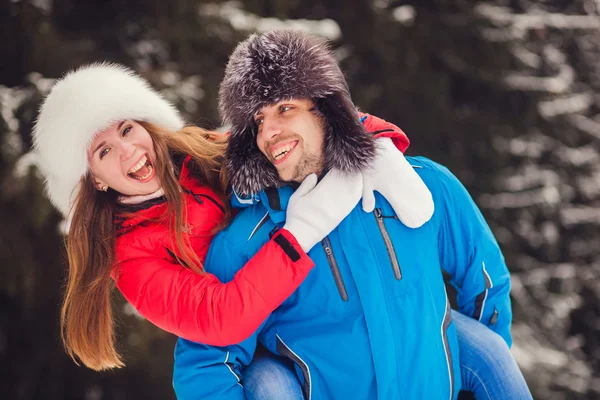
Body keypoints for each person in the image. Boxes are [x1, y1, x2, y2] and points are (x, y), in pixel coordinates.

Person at [173, 30, 533, 399]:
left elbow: (485, 280)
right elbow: (205, 362)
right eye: (258, 121)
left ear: (327, 108)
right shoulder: (246, 240)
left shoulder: (423, 183)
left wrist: (472, 372)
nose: (270, 132)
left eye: (284, 108)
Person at [31, 63, 431, 372]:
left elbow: (292, 134)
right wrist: (299, 234)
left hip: (325, 305)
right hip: (260, 353)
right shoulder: (132, 260)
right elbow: (221, 317)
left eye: (126, 129)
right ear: (95, 182)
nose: (127, 150)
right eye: (103, 151)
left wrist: (375, 143)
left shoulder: (199, 154)